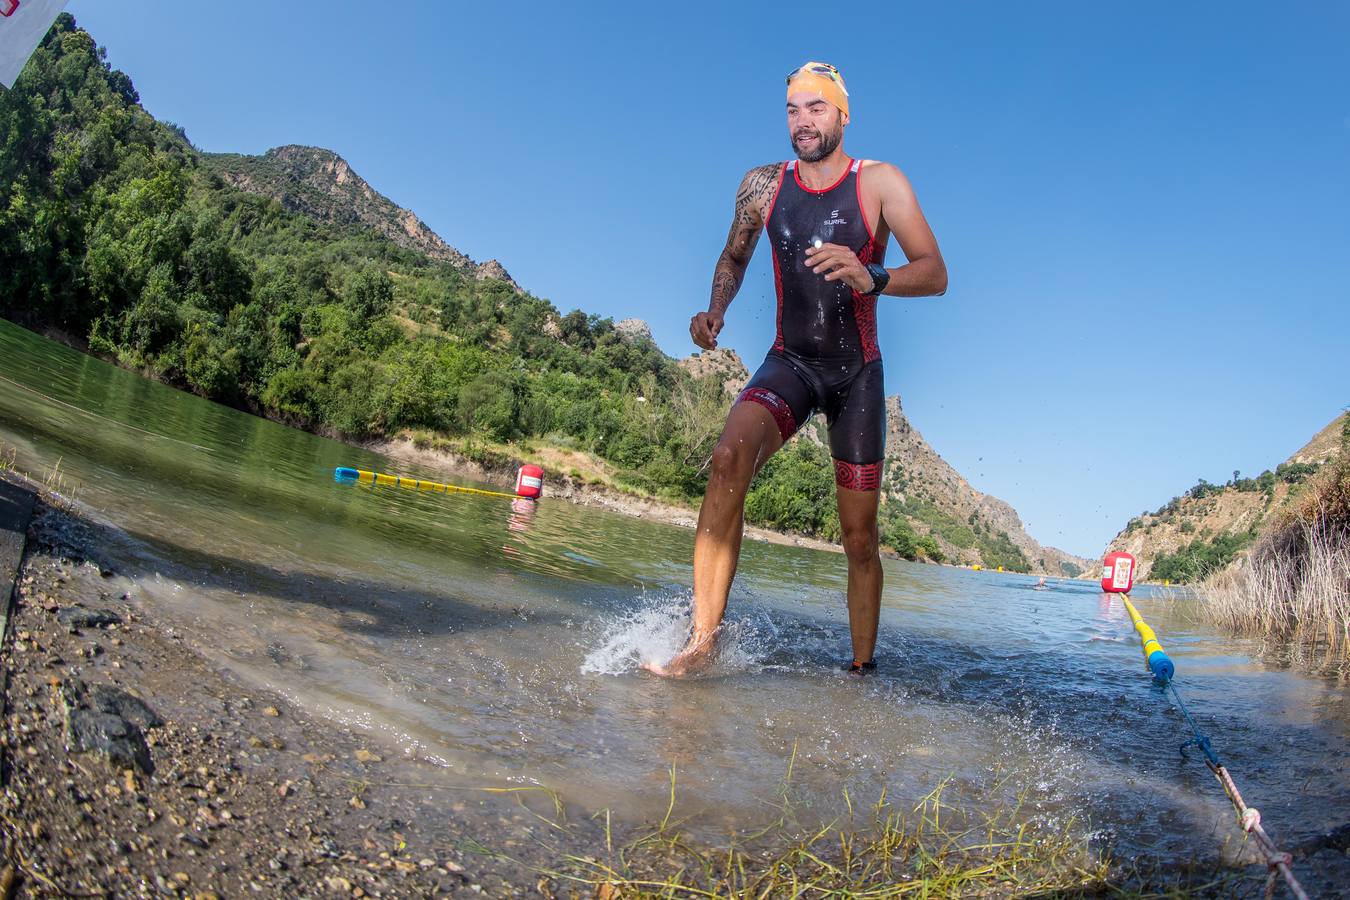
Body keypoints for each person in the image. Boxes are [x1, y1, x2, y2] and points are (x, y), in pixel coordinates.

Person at [645, 62, 947, 677]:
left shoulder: (880, 183)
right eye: (792, 109)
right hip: (790, 362)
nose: (802, 120)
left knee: (859, 539)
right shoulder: (762, 186)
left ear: (841, 114)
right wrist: (715, 310)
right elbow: (734, 253)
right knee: (728, 460)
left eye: (815, 108)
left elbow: (936, 273)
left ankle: (860, 672)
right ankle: (702, 644)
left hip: (856, 374)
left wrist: (874, 276)